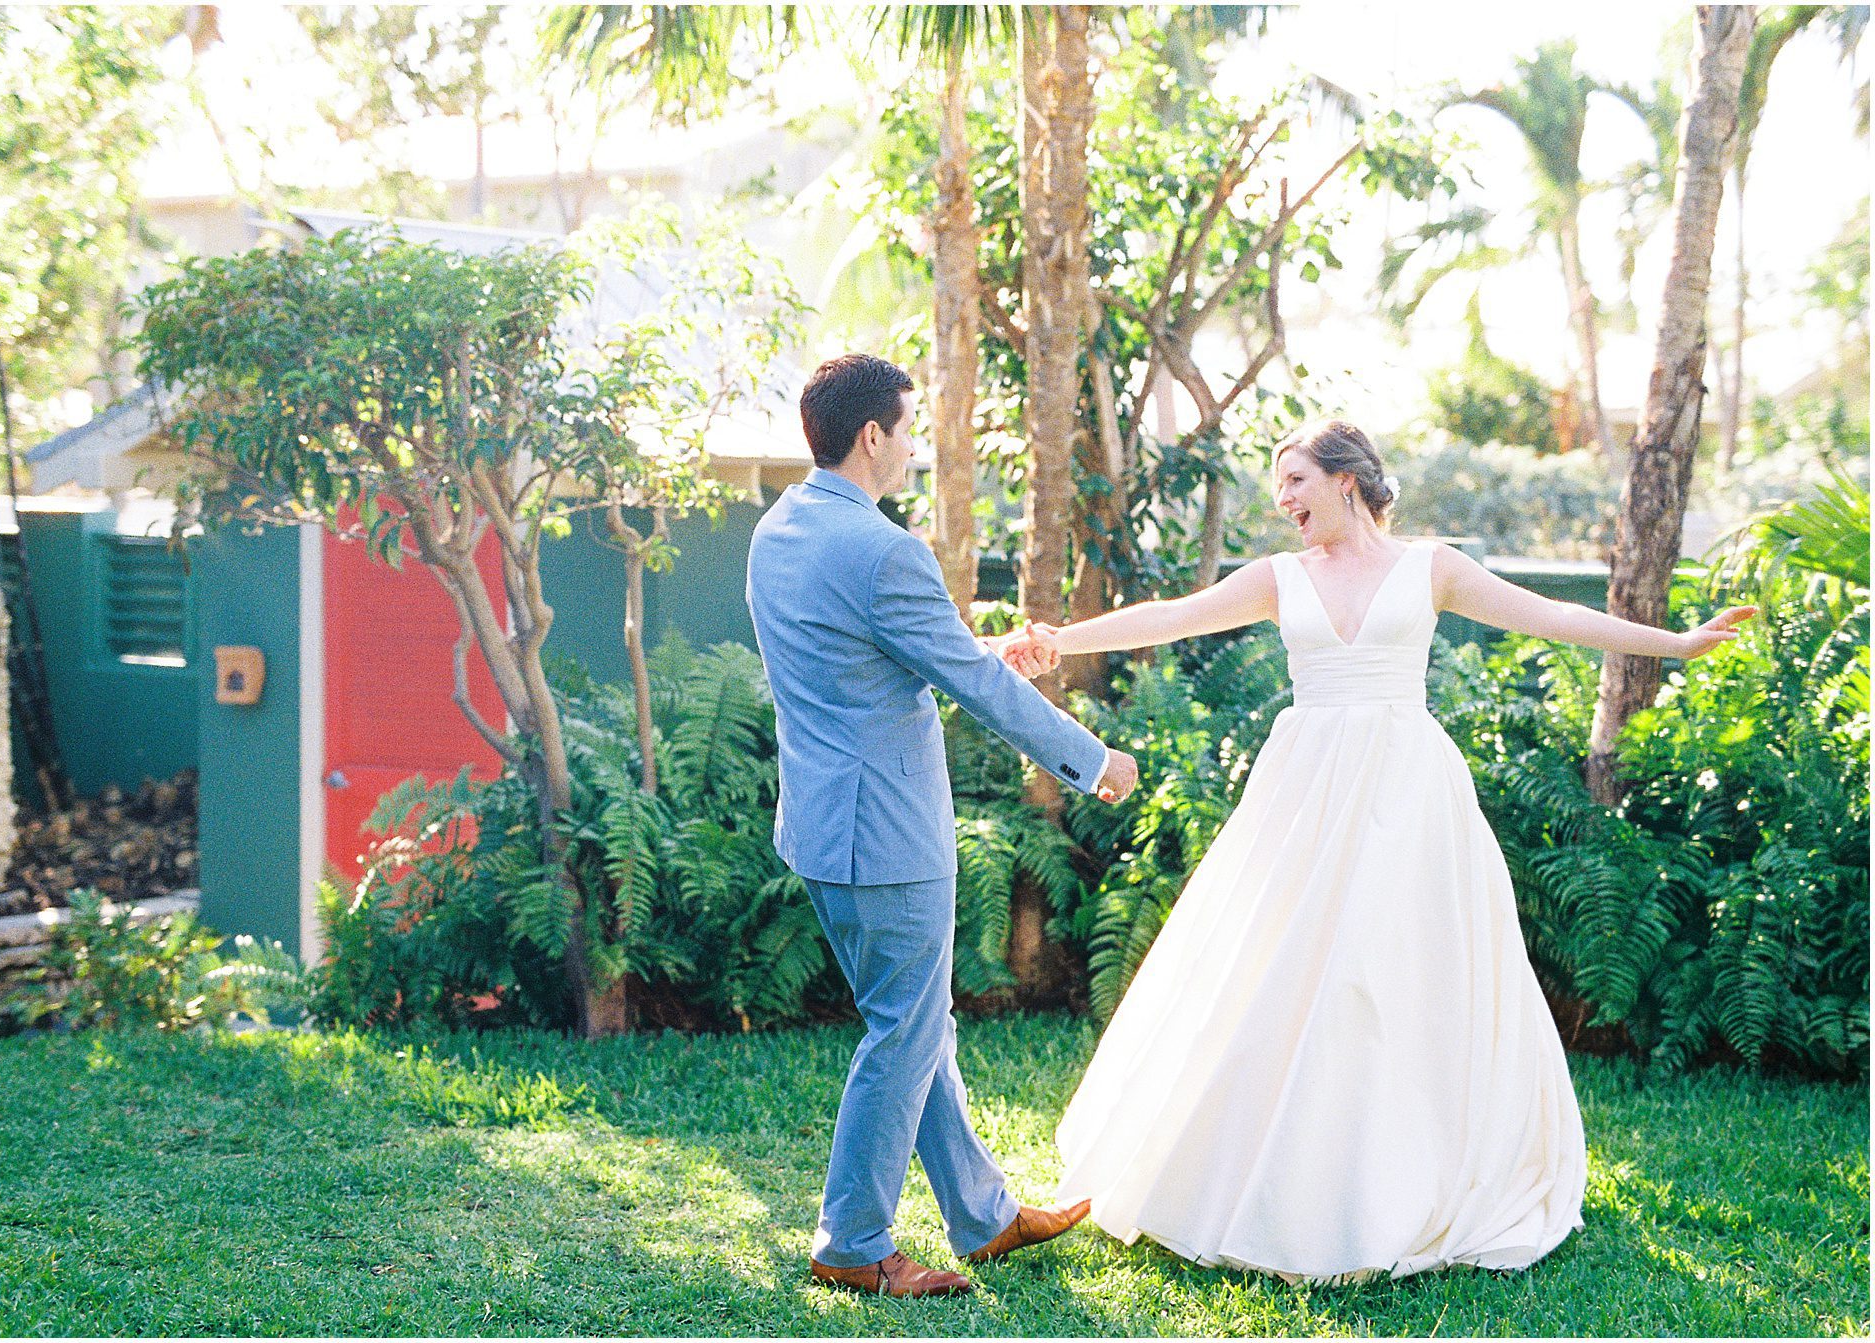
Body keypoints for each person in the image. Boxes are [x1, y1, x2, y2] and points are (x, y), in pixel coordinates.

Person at [1008, 419, 1756, 1284]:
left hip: (1409, 795)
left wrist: (1678, 644)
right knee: (1282, 968)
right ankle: (1273, 1175)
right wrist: (1059, 640)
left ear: (1346, 481)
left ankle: (1413, 1173)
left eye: (1294, 480)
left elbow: (1551, 615)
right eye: (1279, 486)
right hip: (1306, 792)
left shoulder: (1430, 566)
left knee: (1401, 973)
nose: (1283, 500)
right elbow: (1173, 617)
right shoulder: (1278, 577)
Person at [744, 354, 1140, 1297]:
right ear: (873, 435)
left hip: (820, 828)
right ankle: (851, 1242)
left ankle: (984, 1214)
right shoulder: (885, 549)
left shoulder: (780, 528)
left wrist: (968, 650)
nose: (915, 448)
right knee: (905, 1031)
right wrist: (1092, 759)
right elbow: (974, 685)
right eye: (910, 429)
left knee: (913, 1021)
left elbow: (869, 654)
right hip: (886, 833)